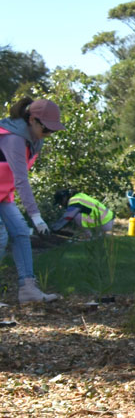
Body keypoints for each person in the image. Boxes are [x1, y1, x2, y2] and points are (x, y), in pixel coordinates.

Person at [0, 97, 64, 304]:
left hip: (2, 196)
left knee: (20, 232)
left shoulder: (34, 140)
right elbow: (21, 180)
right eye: (46, 129)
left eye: (52, 130)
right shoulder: (14, 138)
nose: (49, 134)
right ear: (33, 120)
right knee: (1, 237)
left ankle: (28, 290)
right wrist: (36, 217)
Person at [52, 189, 116, 238]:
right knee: (79, 215)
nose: (61, 205)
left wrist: (54, 228)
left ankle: (88, 237)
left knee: (76, 216)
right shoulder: (80, 196)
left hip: (104, 222)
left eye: (60, 202)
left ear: (64, 198)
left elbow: (67, 217)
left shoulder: (74, 201)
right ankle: (98, 235)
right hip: (109, 220)